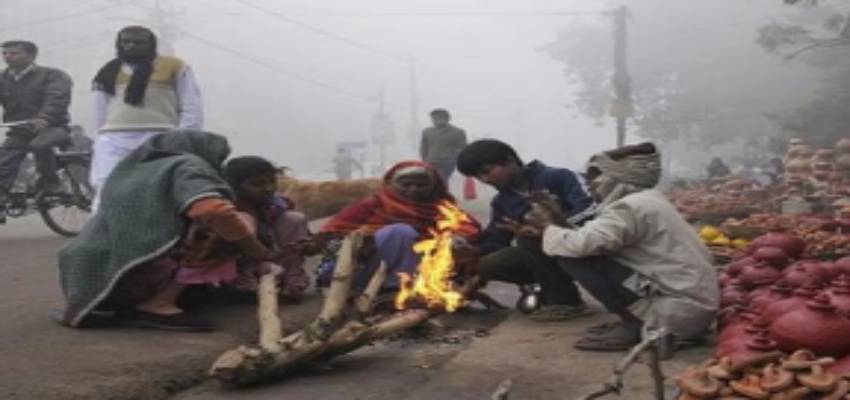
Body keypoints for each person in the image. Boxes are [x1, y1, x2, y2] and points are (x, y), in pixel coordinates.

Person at [59, 131, 281, 331]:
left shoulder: (135, 169)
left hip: (96, 277)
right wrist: (256, 249)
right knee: (221, 228)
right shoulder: (188, 165)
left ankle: (152, 300)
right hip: (135, 269)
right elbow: (213, 211)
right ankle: (157, 305)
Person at [515, 142, 718, 351]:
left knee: (573, 255)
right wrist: (556, 219)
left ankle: (635, 323)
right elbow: (592, 235)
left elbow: (580, 245)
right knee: (571, 246)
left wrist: (547, 224)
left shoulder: (630, 207)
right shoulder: (647, 201)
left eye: (596, 176)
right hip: (689, 308)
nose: (590, 184)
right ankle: (635, 318)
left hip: (674, 314)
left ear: (618, 178)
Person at [456, 139, 596, 321]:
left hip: (586, 243)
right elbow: (497, 239)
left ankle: (566, 302)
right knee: (486, 264)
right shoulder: (502, 201)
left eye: (486, 171)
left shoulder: (559, 176)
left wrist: (548, 229)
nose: (485, 180)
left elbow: (590, 210)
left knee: (527, 238)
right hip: (548, 256)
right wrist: (472, 251)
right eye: (478, 177)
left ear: (509, 161)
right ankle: (541, 288)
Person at [317, 160, 480, 295]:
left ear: (433, 186)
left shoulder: (443, 207)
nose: (413, 189)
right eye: (406, 184)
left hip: (422, 269)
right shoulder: (374, 204)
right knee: (401, 232)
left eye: (421, 185)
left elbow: (468, 226)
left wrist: (455, 238)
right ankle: (392, 289)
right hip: (366, 269)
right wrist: (366, 243)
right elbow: (332, 232)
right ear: (391, 184)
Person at [90, 26, 203, 209]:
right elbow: (99, 111)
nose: (131, 46)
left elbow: (191, 105)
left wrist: (185, 137)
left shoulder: (174, 66)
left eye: (139, 42)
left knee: (160, 189)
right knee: (106, 187)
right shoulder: (106, 71)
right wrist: (99, 139)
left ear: (151, 44)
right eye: (125, 42)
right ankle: (102, 234)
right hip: (113, 139)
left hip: (160, 137)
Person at [0, 40, 73, 223]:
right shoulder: (3, 78)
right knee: (4, 162)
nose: (8, 57)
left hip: (53, 127)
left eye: (14, 53)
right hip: (19, 131)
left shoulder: (52, 75)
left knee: (39, 144)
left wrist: (45, 117)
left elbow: (57, 98)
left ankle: (52, 184)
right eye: (5, 53)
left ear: (31, 56)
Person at [223, 156, 311, 300]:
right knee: (242, 222)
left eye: (272, 182)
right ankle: (245, 287)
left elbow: (299, 240)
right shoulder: (227, 208)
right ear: (235, 186)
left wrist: (310, 245)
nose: (268, 189)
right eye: (257, 184)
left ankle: (292, 281)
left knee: (294, 219)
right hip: (243, 260)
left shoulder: (278, 204)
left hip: (273, 256)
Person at [419, 109, 467, 183]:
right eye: (433, 118)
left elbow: (462, 148)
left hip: (447, 162)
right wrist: (424, 160)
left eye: (437, 118)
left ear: (446, 119)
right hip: (431, 161)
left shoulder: (458, 132)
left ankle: (442, 194)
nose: (434, 121)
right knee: (430, 181)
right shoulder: (427, 131)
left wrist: (454, 156)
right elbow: (424, 147)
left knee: (442, 180)